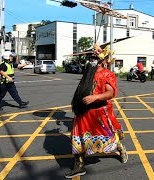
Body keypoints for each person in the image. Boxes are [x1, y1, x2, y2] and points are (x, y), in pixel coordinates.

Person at [65, 44, 127, 179]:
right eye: (92, 57)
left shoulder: (107, 74)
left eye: (96, 57)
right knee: (77, 137)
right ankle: (79, 165)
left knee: (108, 138)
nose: (92, 59)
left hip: (99, 112)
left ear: (103, 59)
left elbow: (110, 93)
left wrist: (95, 97)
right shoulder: (88, 72)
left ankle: (120, 148)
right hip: (84, 111)